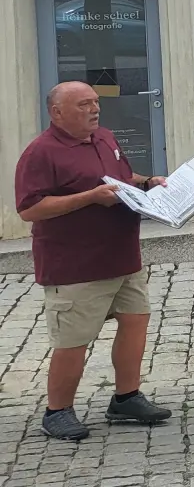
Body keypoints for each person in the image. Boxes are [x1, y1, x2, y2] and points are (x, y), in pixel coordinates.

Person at [16, 82, 172, 441]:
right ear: (57, 112)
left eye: (96, 102)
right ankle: (57, 411)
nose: (94, 109)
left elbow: (120, 180)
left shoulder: (104, 138)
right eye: (84, 104)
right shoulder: (41, 152)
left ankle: (126, 398)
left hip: (121, 254)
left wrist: (147, 182)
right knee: (74, 338)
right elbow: (29, 208)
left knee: (135, 322)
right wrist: (89, 198)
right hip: (75, 263)